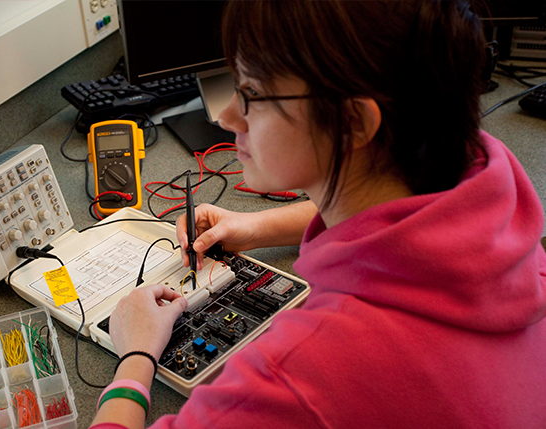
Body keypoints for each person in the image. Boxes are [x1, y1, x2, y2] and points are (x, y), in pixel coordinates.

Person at [90, 1, 546, 428]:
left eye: (251, 93)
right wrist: (257, 225)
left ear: (352, 123)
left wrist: (135, 359)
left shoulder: (297, 377)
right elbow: (387, 209)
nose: (228, 116)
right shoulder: (482, 181)